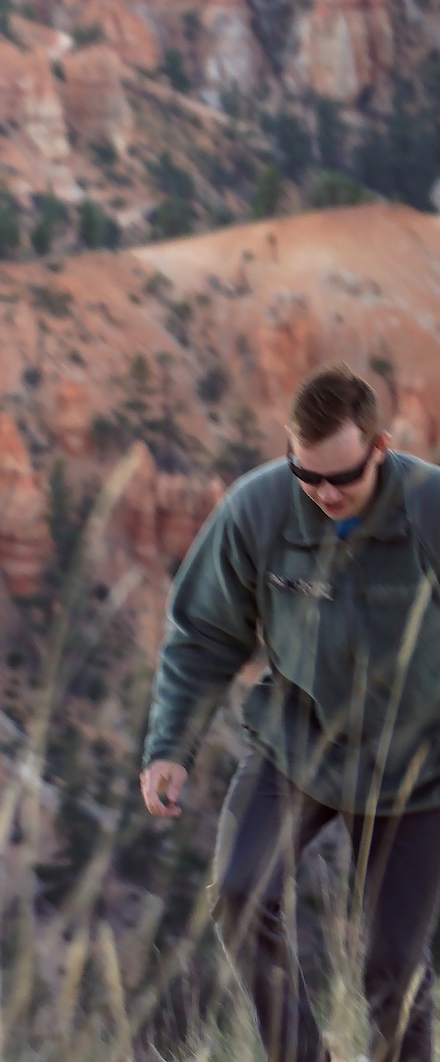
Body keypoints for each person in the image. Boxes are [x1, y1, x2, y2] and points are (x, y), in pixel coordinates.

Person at [142, 364, 440, 1062]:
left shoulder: (431, 508)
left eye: (343, 478)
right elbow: (204, 635)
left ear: (380, 448)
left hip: (418, 768)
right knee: (240, 894)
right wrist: (170, 745)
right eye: (309, 477)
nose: (325, 493)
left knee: (396, 971)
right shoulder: (258, 509)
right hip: (299, 742)